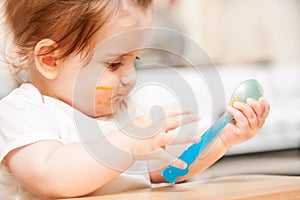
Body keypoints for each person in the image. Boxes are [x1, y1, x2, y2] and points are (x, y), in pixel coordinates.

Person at [0, 0, 270, 199]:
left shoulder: (122, 113)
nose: (130, 78)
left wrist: (221, 139)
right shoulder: (23, 111)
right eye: (115, 63)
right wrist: (127, 142)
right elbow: (51, 177)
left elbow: (168, 169)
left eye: (134, 60)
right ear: (50, 59)